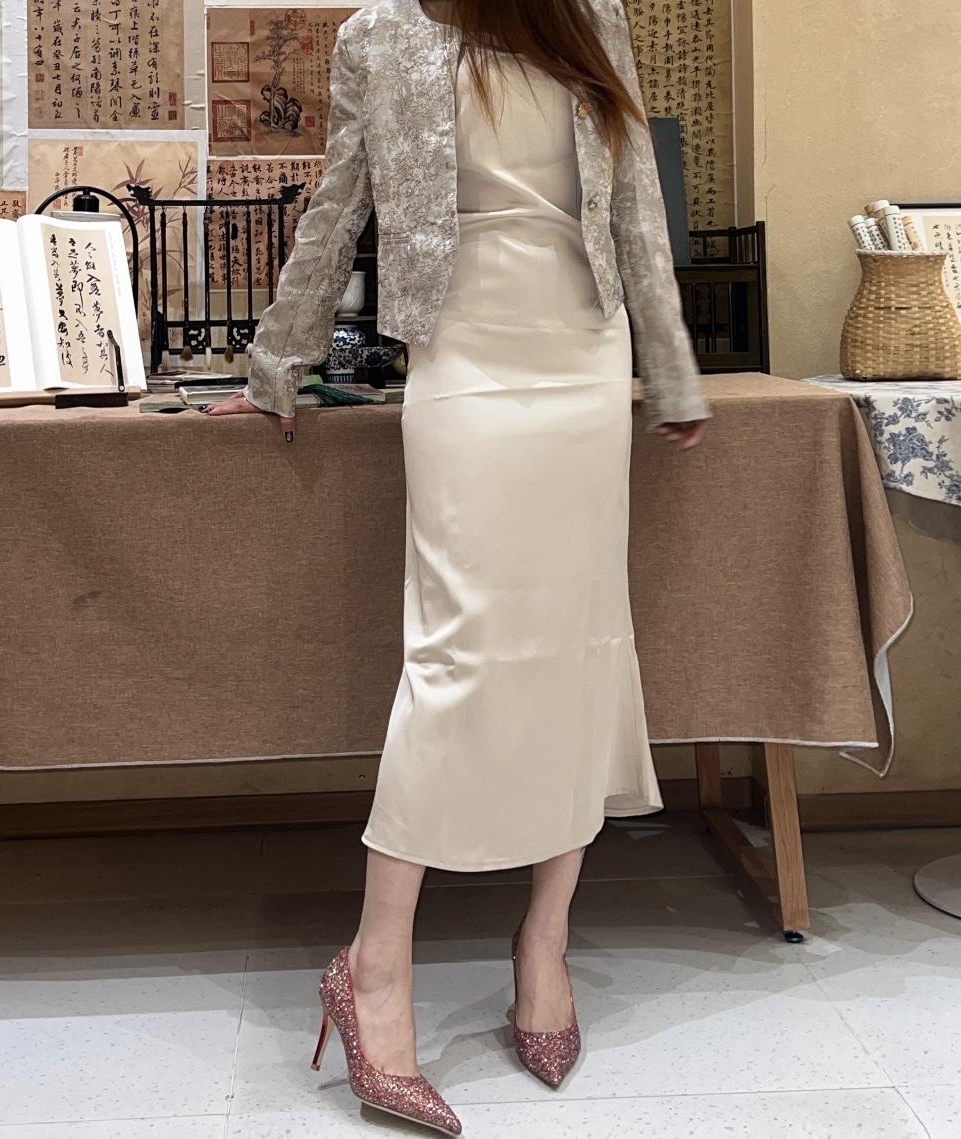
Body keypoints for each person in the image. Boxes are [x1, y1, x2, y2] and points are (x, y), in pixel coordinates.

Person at [208, 0, 709, 1132]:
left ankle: (545, 942)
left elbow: (633, 199)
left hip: (585, 359)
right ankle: (372, 963)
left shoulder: (587, 18)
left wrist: (672, 370)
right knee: (458, 653)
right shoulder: (380, 34)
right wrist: (278, 360)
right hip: (465, 358)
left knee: (580, 645)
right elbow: (338, 202)